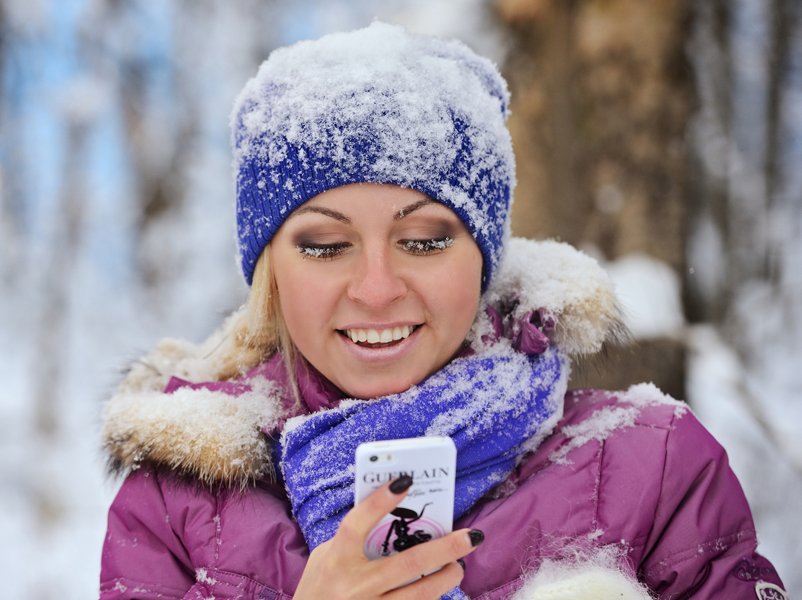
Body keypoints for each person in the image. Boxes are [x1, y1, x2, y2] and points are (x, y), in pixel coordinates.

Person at [99, 22, 786, 600]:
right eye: (326, 245)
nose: (375, 288)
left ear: (484, 258)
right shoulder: (174, 505)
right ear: (270, 272)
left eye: (424, 240)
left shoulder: (656, 466)